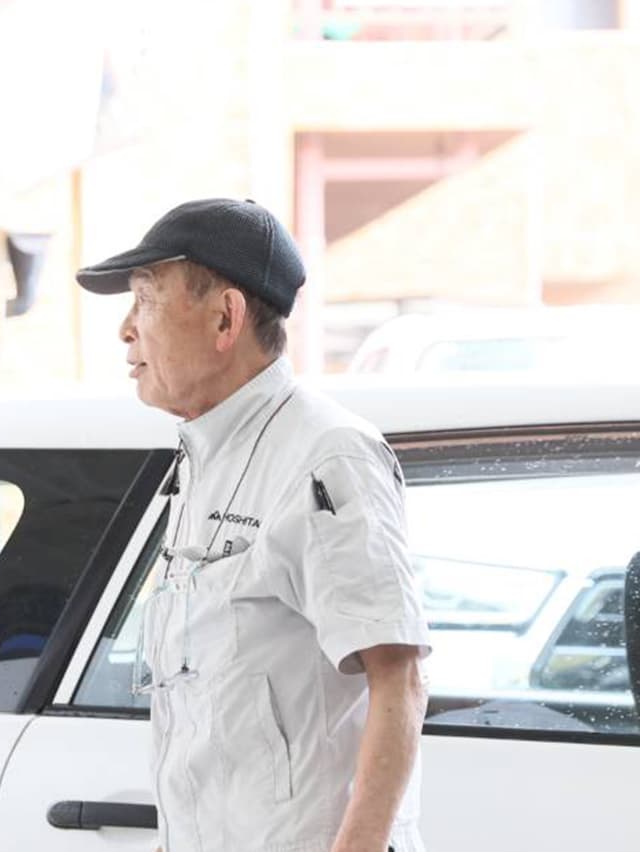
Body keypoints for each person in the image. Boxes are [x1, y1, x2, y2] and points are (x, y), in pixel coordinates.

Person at [77, 199, 431, 852]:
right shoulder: (203, 457)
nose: (126, 330)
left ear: (225, 316)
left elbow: (399, 678)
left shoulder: (326, 454)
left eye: (146, 300)